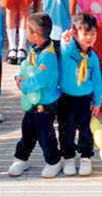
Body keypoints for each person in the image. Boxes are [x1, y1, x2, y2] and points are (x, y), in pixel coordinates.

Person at [9, 11, 62, 179]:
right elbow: (26, 65)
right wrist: (19, 76)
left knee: (45, 134)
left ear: (35, 35)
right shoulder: (34, 49)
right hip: (32, 101)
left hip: (45, 102)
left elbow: (41, 79)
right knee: (27, 130)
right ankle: (21, 158)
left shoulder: (48, 56)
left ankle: (54, 161)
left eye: (27, 30)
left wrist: (23, 85)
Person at [56, 13, 102, 176]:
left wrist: (97, 102)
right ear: (75, 33)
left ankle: (85, 157)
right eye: (85, 33)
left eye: (93, 34)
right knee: (66, 130)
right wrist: (65, 41)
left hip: (85, 100)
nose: (89, 38)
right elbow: (64, 50)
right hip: (66, 99)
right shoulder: (69, 51)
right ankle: (68, 157)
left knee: (86, 130)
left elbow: (97, 81)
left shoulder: (92, 57)